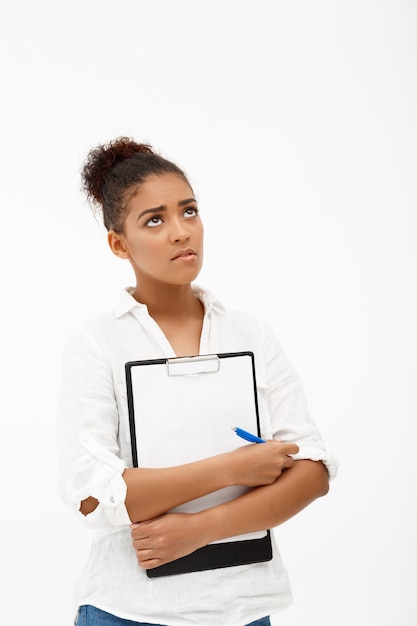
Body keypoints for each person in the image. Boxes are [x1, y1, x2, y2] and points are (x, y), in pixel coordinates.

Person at [57, 137, 338, 626]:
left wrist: (199, 529)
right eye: (155, 220)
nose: (180, 232)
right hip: (130, 611)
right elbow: (93, 495)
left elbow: (313, 471)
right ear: (119, 244)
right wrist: (233, 468)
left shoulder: (250, 332)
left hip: (245, 609)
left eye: (189, 211)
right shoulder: (97, 342)